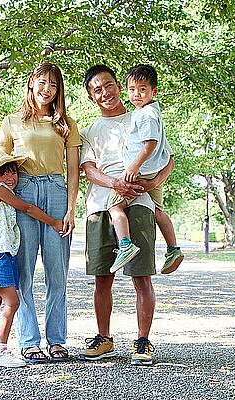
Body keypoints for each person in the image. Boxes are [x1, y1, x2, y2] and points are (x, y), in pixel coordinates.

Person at [77, 65, 175, 366]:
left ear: (119, 86)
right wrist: (116, 183)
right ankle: (104, 338)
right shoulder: (89, 131)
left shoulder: (143, 114)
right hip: (100, 207)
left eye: (108, 85)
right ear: (91, 97)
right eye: (97, 89)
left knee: (141, 276)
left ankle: (143, 341)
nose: (104, 93)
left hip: (140, 203)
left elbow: (167, 158)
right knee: (102, 277)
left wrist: (153, 183)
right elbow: (88, 169)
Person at [0, 63, 81, 363]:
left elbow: (73, 172)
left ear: (59, 91)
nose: (47, 89)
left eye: (54, 85)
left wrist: (71, 209)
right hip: (24, 191)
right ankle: (30, 340)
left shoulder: (66, 124)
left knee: (57, 274)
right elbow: (0, 166)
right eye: (42, 82)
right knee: (24, 273)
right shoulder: (12, 121)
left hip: (57, 192)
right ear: (31, 83)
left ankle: (57, 340)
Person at [0, 151, 65, 368]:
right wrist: (53, 222)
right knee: (12, 302)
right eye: (3, 172)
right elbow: (26, 207)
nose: (11, 176)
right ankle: (1, 350)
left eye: (13, 171)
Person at [107, 64, 184, 274]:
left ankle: (125, 245)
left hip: (141, 172)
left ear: (154, 91)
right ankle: (173, 249)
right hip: (155, 171)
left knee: (115, 206)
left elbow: (150, 143)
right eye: (132, 89)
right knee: (158, 211)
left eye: (142, 89)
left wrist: (134, 166)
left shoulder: (145, 115)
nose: (137, 94)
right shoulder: (153, 111)